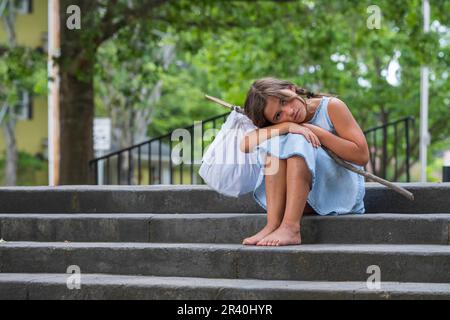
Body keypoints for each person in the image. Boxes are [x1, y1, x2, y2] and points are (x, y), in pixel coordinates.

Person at [240, 77, 370, 246]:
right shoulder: (286, 124)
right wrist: (287, 127)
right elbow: (245, 144)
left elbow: (362, 155)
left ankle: (291, 227)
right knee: (274, 145)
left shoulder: (331, 107)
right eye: (278, 115)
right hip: (304, 200)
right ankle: (272, 224)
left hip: (340, 194)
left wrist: (312, 131)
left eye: (284, 100)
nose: (289, 111)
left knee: (298, 140)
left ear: (291, 88)